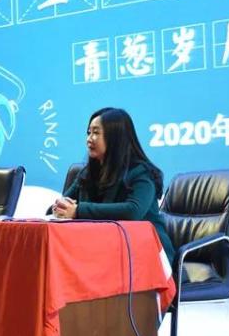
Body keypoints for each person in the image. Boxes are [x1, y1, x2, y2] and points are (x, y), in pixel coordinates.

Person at [49, 107, 175, 265]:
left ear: (115, 138)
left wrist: (78, 211)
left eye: (96, 133)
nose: (89, 139)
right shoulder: (86, 173)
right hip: (107, 251)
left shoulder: (141, 173)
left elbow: (133, 211)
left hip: (147, 253)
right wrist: (59, 208)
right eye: (88, 133)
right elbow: (63, 204)